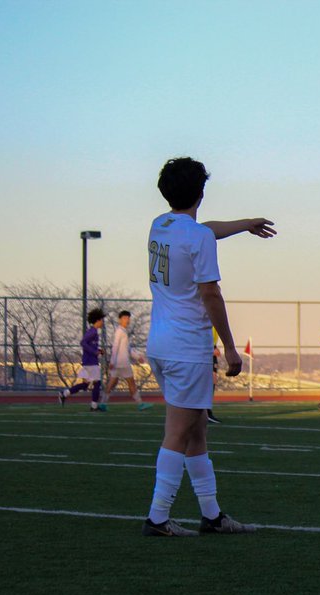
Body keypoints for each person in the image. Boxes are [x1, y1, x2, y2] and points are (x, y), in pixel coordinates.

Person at [142, 156, 275, 536]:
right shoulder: (194, 235)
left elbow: (203, 231)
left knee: (197, 428)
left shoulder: (160, 224)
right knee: (178, 431)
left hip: (162, 343)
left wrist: (243, 224)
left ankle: (212, 515)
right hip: (187, 348)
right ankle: (157, 517)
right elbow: (211, 294)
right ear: (201, 191)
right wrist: (231, 348)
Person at [100, 310, 151, 411]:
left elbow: (128, 349)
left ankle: (102, 403)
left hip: (118, 364)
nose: (126, 320)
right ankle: (140, 404)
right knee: (131, 383)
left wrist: (137, 357)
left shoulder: (123, 331)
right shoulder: (120, 331)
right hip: (123, 363)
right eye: (124, 318)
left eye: (128, 318)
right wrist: (112, 362)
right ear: (120, 320)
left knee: (111, 383)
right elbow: (115, 346)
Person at [58, 308, 105, 411]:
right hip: (91, 362)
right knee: (97, 383)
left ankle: (64, 394)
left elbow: (89, 345)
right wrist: (94, 352)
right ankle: (94, 406)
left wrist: (98, 350)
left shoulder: (93, 332)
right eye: (101, 320)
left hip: (89, 361)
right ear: (97, 320)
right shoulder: (92, 332)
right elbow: (83, 343)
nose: (102, 322)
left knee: (85, 384)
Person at [208, 333, 222, 424]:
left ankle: (206, 411)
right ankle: (205, 412)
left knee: (212, 380)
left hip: (210, 346)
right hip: (205, 347)